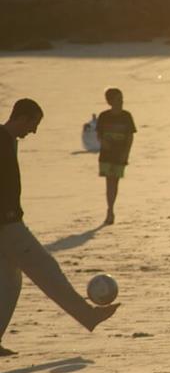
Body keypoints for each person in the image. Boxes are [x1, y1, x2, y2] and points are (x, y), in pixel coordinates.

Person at [0, 99, 119, 356]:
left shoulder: (8, 141)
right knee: (46, 270)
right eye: (33, 124)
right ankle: (89, 315)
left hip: (8, 222)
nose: (33, 131)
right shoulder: (1, 141)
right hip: (6, 224)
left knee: (10, 283)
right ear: (22, 117)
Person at [96, 88, 136, 225]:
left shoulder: (126, 116)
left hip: (120, 154)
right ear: (110, 102)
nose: (121, 102)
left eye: (122, 99)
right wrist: (103, 142)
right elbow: (99, 134)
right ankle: (110, 210)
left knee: (115, 181)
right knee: (109, 182)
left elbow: (130, 137)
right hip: (106, 155)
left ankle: (111, 209)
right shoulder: (103, 116)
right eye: (118, 99)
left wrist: (126, 153)